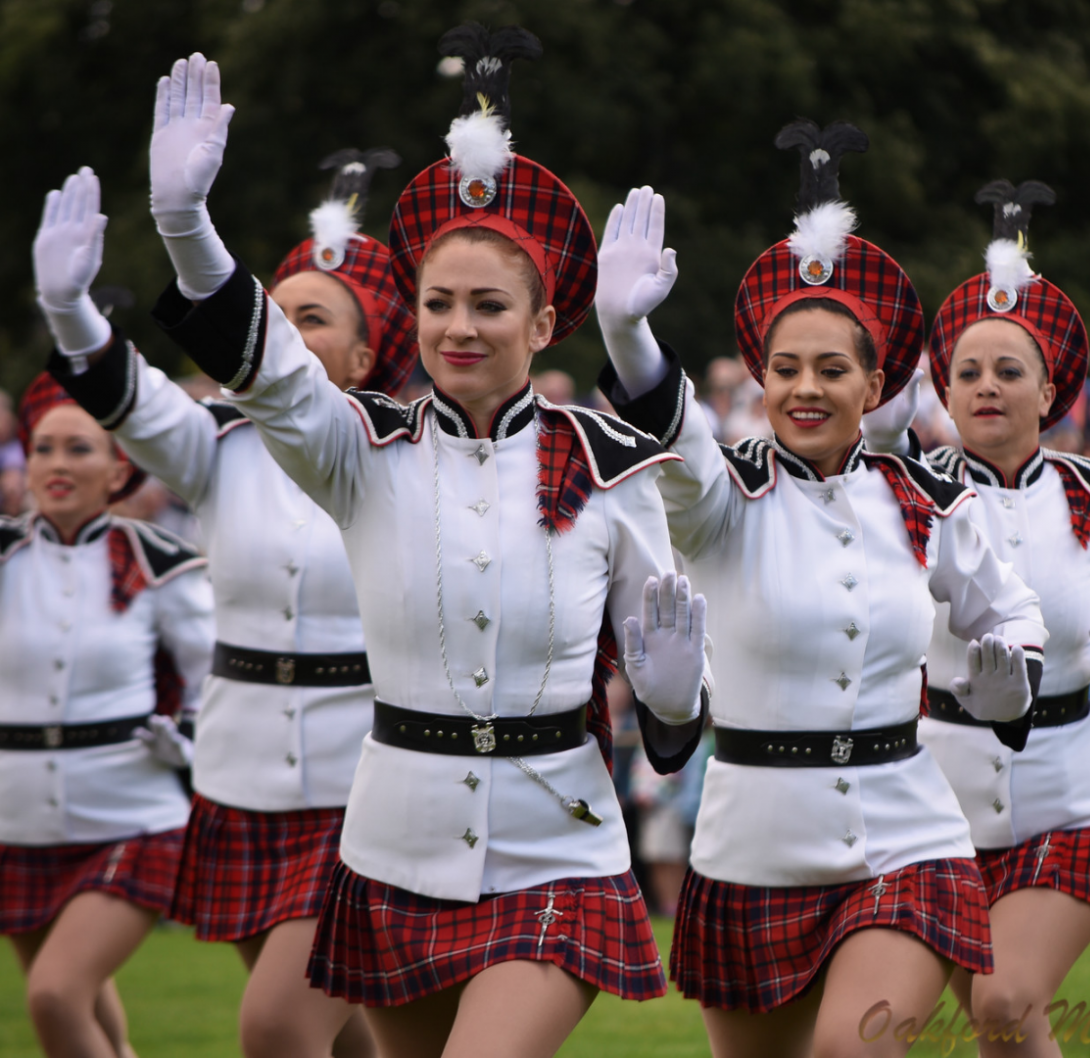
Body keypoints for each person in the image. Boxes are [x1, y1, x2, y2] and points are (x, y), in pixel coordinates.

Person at [142, 32, 710, 1058]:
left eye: (490, 305)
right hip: (392, 843)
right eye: (438, 303)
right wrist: (186, 224)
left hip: (560, 846)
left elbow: (670, 712)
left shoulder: (620, 468)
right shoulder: (364, 449)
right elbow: (268, 366)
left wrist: (672, 698)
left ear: (544, 323)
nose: (458, 326)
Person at [595, 121, 1047, 1057]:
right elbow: (672, 434)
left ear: (876, 381)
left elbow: (1011, 612)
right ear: (759, 378)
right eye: (785, 369)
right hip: (751, 846)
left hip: (908, 835)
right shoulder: (723, 499)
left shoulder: (930, 497)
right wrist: (625, 333)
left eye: (832, 370)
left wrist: (1014, 679)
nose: (806, 388)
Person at [36, 150, 416, 1058]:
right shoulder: (219, 445)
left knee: (278, 1028)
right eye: (270, 318)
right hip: (240, 775)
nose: (275, 337)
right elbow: (127, 398)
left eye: (308, 320)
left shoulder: (412, 459)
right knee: (345, 1033)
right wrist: (69, 310)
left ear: (369, 355)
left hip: (367, 781)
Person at [909, 179, 1090, 1054]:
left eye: (1009, 371)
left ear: (1050, 390)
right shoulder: (900, 499)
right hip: (935, 796)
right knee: (1008, 1027)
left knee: (1002, 1001)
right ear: (944, 395)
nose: (987, 387)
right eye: (968, 373)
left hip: (1072, 789)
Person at [0, 373, 213, 1058]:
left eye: (79, 450)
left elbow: (214, 669)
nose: (58, 465)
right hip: (16, 819)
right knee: (81, 1010)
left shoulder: (160, 563)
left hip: (134, 814)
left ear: (119, 468)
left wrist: (186, 734)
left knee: (54, 995)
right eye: (44, 449)